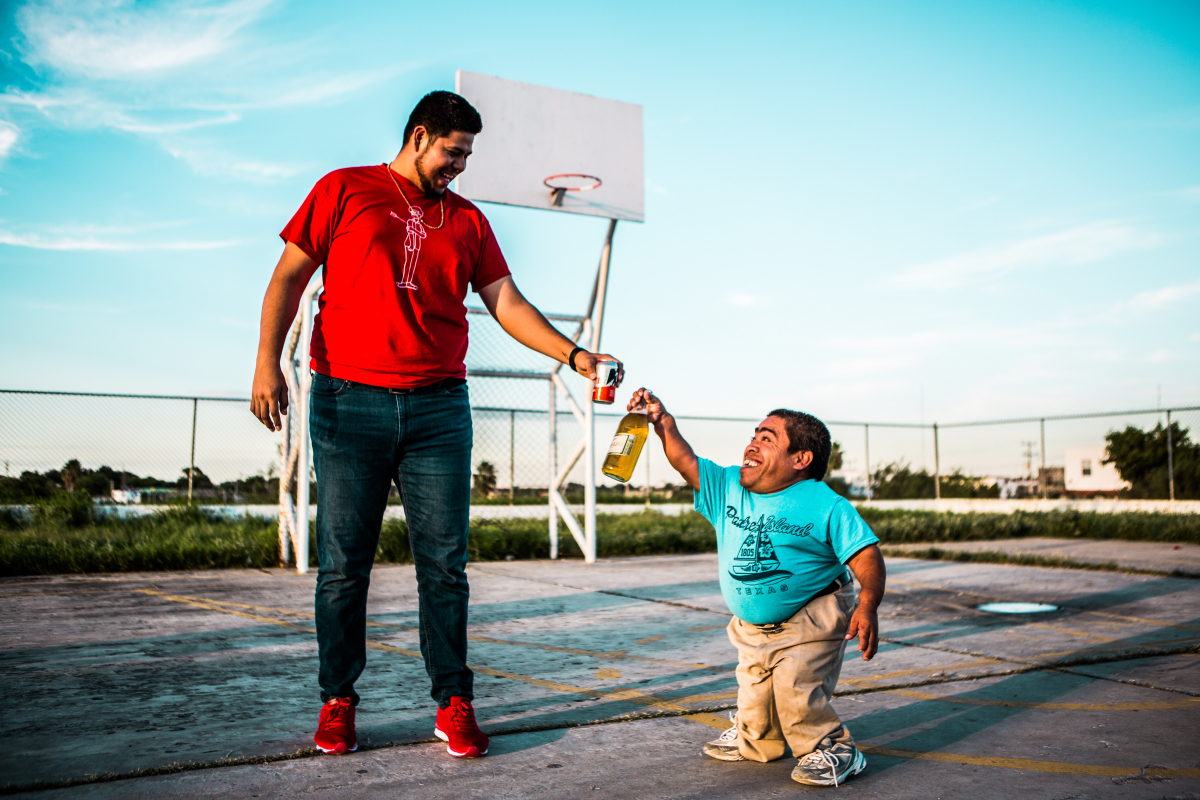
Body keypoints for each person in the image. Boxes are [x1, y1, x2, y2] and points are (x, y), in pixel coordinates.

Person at [250, 90, 622, 759]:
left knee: (446, 569)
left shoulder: (469, 219)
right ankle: (338, 701)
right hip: (348, 400)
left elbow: (507, 303)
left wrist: (576, 355)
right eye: (454, 152)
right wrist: (267, 364)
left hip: (439, 408)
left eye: (468, 155)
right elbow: (287, 279)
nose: (461, 165)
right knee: (343, 567)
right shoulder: (344, 189)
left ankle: (453, 702)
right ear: (420, 136)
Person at [625, 388, 885, 787]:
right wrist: (664, 424)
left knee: (796, 689)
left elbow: (866, 556)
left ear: (800, 459)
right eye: (754, 435)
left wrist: (867, 605)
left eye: (768, 438)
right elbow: (685, 460)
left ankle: (832, 748)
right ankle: (756, 737)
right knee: (756, 698)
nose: (752, 444)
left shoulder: (825, 504)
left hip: (812, 615)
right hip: (751, 627)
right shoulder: (729, 486)